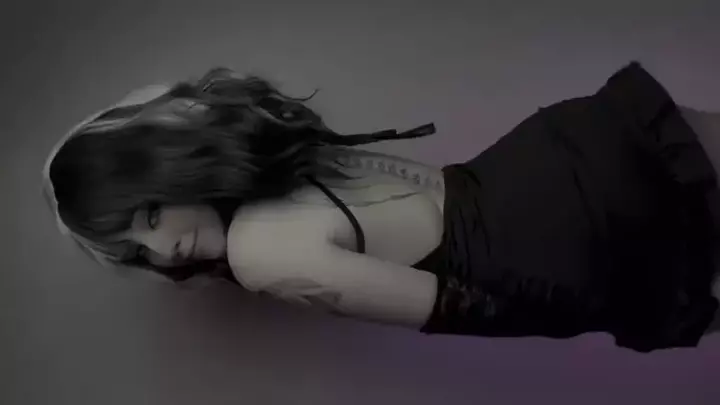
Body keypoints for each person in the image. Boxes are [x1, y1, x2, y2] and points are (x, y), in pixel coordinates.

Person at [43, 62, 720, 353]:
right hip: (558, 153)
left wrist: (611, 306)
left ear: (166, 173)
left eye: (149, 217)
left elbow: (472, 308)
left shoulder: (258, 251)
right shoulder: (285, 166)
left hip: (562, 240)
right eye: (138, 251)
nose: (163, 252)